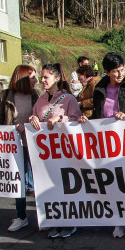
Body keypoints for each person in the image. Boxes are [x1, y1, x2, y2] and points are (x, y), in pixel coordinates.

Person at [92, 53, 125, 237]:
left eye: (122, 69)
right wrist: (87, 120)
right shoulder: (99, 89)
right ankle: (119, 220)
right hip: (107, 145)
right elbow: (98, 115)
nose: (120, 74)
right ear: (107, 72)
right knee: (113, 184)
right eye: (116, 71)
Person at [29, 63, 86, 239]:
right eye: (42, 77)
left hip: (66, 150)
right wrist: (31, 119)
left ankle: (71, 222)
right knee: (52, 186)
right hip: (48, 153)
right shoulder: (40, 100)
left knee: (68, 186)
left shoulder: (68, 99)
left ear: (57, 78)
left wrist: (61, 117)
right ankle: (57, 220)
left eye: (46, 77)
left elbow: (76, 119)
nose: (43, 80)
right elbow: (35, 117)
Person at [0, 65, 40, 232]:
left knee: (39, 181)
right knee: (17, 182)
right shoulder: (5, 96)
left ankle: (43, 217)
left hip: (33, 145)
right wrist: (11, 130)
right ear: (22, 78)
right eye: (32, 77)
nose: (36, 80)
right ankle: (21, 217)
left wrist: (26, 125)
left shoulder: (35, 95)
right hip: (13, 147)